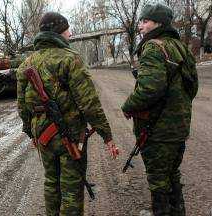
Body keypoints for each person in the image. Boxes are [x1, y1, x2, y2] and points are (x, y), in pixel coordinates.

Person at [17, 12, 119, 216]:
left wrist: (31, 132)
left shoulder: (25, 64)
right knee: (72, 185)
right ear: (58, 32)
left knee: (51, 181)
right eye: (67, 30)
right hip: (69, 134)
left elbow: (22, 106)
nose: (70, 34)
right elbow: (89, 103)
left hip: (43, 134)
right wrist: (106, 135)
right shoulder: (70, 59)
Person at [121, 3, 198, 216]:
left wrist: (128, 106)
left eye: (145, 21)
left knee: (158, 181)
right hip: (178, 127)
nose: (140, 26)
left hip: (158, 130)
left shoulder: (153, 47)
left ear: (159, 23)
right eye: (141, 21)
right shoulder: (181, 46)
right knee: (172, 174)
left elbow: (149, 89)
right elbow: (193, 87)